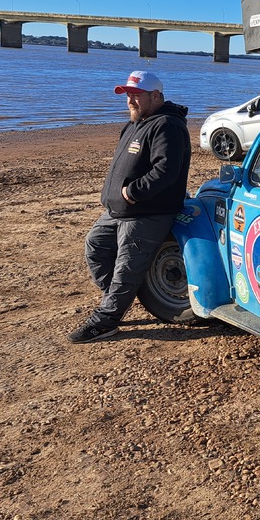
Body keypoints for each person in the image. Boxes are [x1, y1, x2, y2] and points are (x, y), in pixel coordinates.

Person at [68, 70, 191, 343]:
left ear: (156, 96)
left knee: (127, 267)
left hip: (147, 212)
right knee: (96, 246)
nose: (130, 101)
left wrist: (133, 193)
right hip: (119, 210)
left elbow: (166, 171)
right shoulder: (137, 123)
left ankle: (106, 321)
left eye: (136, 95)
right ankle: (117, 297)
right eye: (127, 95)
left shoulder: (168, 125)